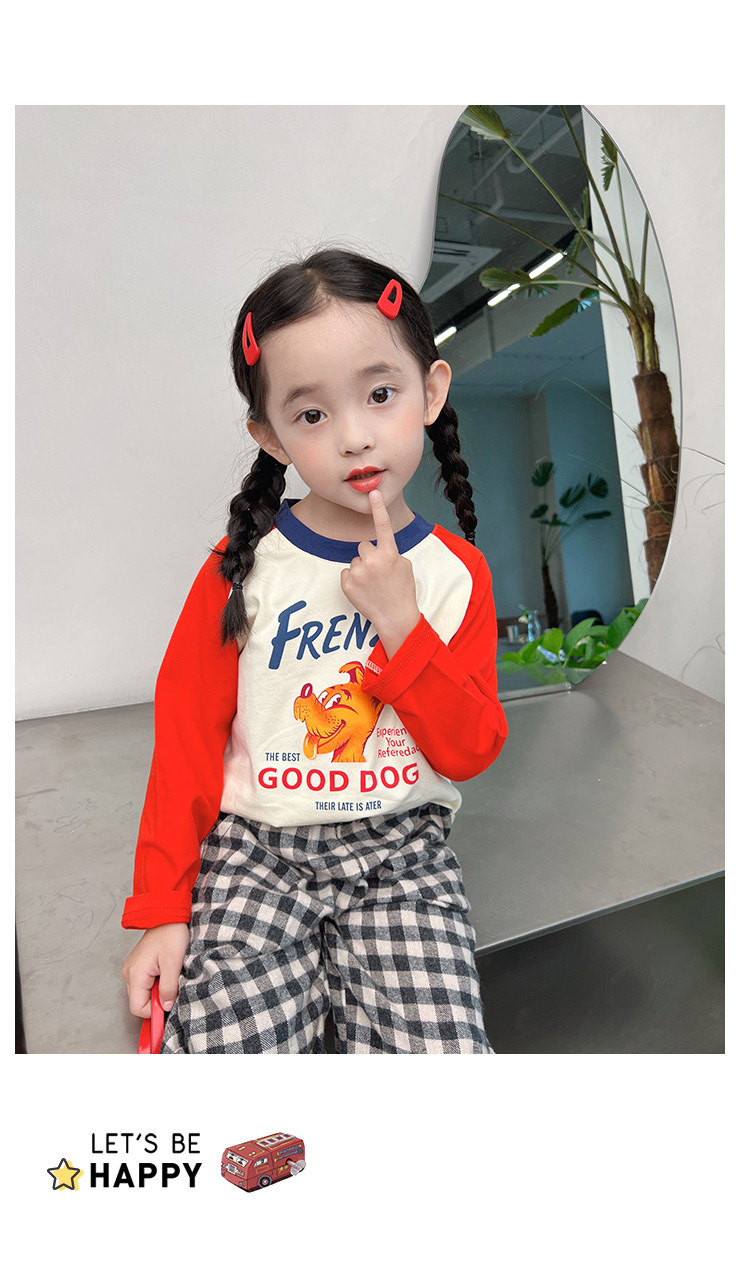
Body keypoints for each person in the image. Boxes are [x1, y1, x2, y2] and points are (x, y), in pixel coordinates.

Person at [121, 247, 508, 1053]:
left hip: (403, 856)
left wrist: (402, 625)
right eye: (311, 415)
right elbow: (186, 736)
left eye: (380, 394)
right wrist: (162, 907)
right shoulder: (243, 567)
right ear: (269, 435)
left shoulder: (457, 575)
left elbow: (470, 748)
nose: (355, 437)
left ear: (431, 390)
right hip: (256, 856)